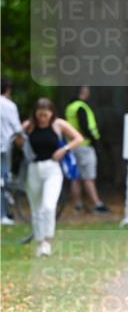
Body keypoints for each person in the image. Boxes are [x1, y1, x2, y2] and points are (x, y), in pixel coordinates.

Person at [21, 98, 83, 256]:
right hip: (34, 168)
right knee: (36, 209)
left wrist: (65, 149)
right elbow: (17, 138)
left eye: (45, 115)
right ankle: (40, 242)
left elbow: (78, 138)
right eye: (40, 115)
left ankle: (48, 240)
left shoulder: (58, 124)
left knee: (48, 206)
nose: (43, 118)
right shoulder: (29, 125)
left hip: (52, 168)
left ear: (51, 113)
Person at [64, 86, 110, 213]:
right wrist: (94, 141)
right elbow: (84, 126)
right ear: (84, 93)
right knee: (89, 176)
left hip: (73, 145)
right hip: (84, 145)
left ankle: (77, 205)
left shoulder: (70, 107)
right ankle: (97, 204)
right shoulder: (81, 107)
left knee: (76, 177)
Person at [1, 78, 22, 225]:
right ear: (7, 89)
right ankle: (3, 215)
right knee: (3, 181)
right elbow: (17, 128)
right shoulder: (9, 105)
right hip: (4, 147)